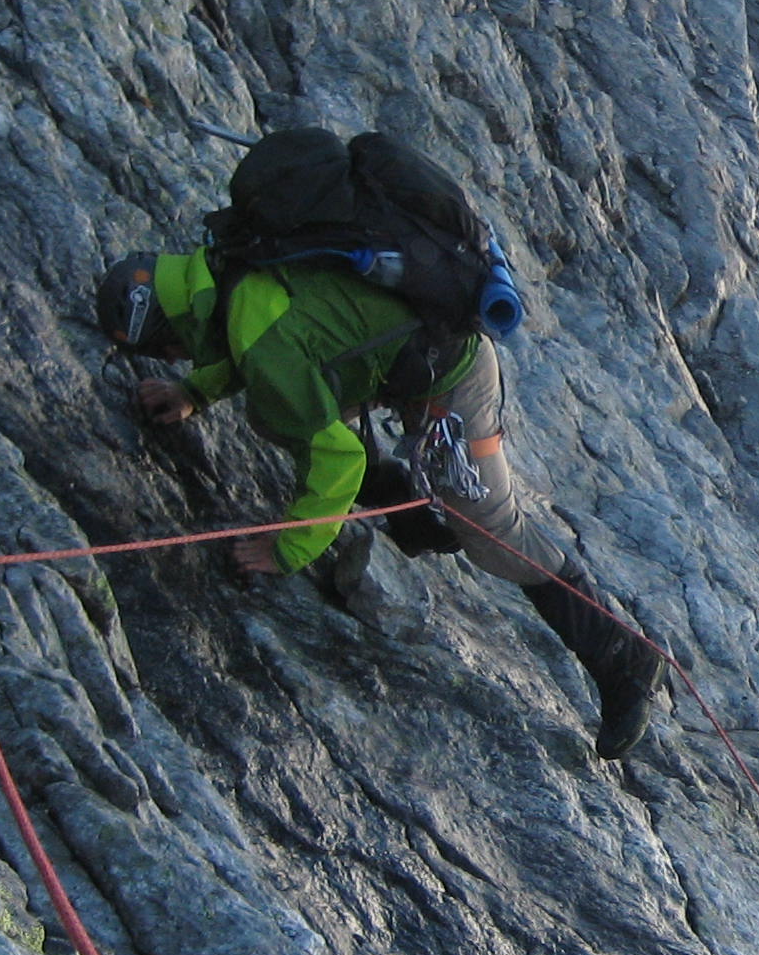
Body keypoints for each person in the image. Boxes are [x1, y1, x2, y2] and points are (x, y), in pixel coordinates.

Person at [92, 179, 667, 759]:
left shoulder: (254, 331)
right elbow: (260, 346)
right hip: (401, 357)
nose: (174, 359)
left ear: (170, 329)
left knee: (494, 535)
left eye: (170, 352)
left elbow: (328, 447)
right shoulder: (222, 265)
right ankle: (416, 517)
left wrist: (288, 549)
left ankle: (626, 659)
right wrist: (194, 391)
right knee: (280, 412)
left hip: (455, 375)